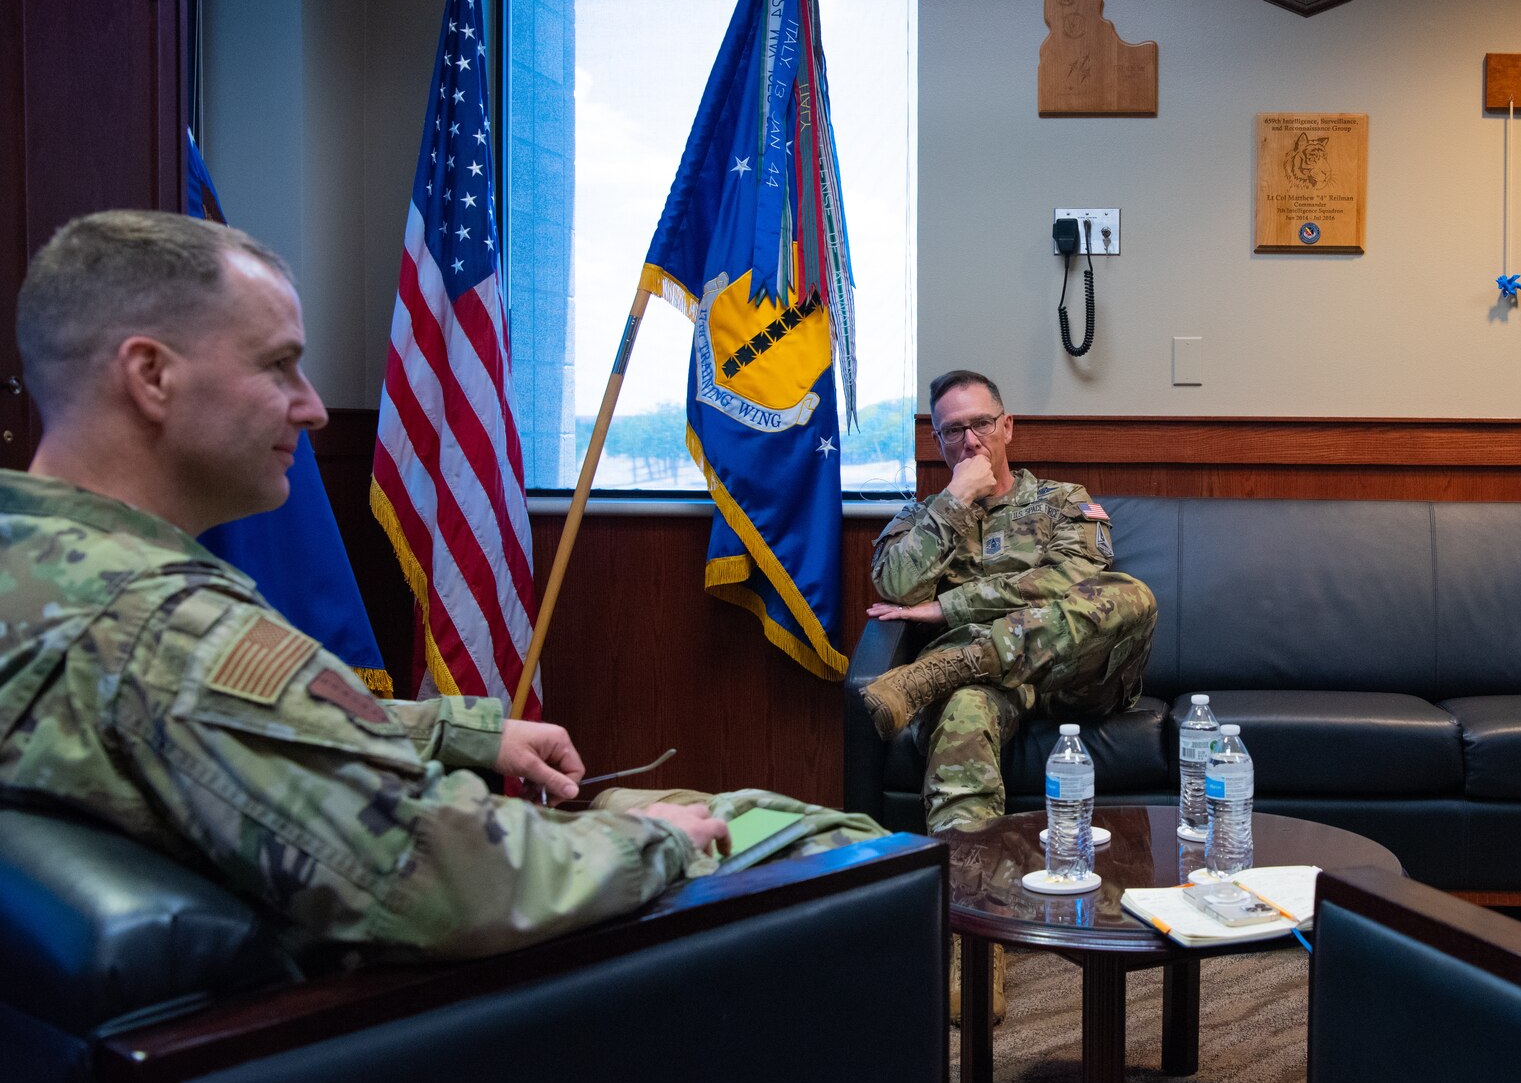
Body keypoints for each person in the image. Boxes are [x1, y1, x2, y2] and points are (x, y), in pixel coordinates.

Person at [1, 209, 882, 960]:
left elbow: (247, 727)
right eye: (278, 366)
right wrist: (652, 841)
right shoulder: (170, 631)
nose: (312, 406)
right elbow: (445, 872)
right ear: (151, 375)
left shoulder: (40, 565)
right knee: (823, 840)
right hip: (413, 1011)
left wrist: (466, 731)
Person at [864, 370, 1158, 835]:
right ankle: (965, 878)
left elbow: (1072, 578)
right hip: (992, 690)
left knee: (1131, 595)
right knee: (962, 708)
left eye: (981, 423)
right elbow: (897, 586)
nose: (970, 441)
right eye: (953, 430)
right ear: (937, 440)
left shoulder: (1061, 500)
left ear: (1007, 427)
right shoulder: (921, 518)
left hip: (1073, 677)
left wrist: (950, 608)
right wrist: (957, 497)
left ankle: (964, 661)